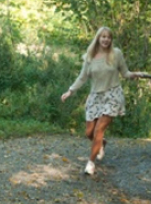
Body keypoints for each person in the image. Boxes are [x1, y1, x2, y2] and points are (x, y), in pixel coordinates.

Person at [61, 27, 145, 176]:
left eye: (109, 37)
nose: (106, 39)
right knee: (89, 133)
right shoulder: (89, 56)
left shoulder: (116, 54)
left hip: (112, 95)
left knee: (99, 130)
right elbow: (82, 77)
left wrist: (135, 74)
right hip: (95, 97)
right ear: (98, 38)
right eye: (103, 37)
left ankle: (90, 163)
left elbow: (125, 73)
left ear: (111, 40)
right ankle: (101, 143)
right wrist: (70, 91)